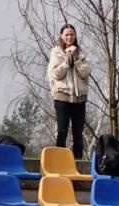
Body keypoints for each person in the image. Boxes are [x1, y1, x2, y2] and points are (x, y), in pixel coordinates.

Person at [47, 24, 90, 156]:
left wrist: (75, 58)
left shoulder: (82, 53)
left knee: (78, 132)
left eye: (71, 34)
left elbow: (85, 72)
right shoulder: (56, 52)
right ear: (61, 36)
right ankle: (59, 161)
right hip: (62, 97)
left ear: (75, 36)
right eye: (66, 34)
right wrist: (67, 60)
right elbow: (56, 74)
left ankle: (77, 162)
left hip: (79, 99)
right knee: (62, 130)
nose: (69, 37)